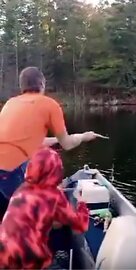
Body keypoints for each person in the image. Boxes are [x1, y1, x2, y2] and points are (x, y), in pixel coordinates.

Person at [0, 66, 99, 202]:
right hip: (10, 173)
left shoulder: (10, 104)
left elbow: (30, 141)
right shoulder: (50, 104)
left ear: (22, 85)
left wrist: (56, 139)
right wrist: (83, 137)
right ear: (42, 84)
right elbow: (68, 144)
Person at [0, 147, 89, 269]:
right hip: (30, 259)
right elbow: (81, 225)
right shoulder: (54, 196)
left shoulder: (22, 189)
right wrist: (82, 204)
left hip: (4, 255)